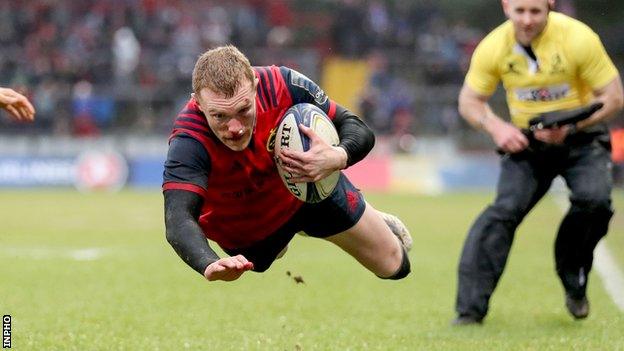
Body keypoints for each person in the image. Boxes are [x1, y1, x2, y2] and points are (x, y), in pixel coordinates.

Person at [162, 45, 412, 282]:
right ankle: (298, 232)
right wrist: (208, 262)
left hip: (310, 188)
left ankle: (346, 215)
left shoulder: (282, 84)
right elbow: (178, 219)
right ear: (198, 102)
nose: (235, 128)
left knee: (395, 265)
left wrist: (338, 156)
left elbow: (357, 128)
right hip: (250, 228)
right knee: (268, 256)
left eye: (243, 110)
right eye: (220, 116)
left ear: (255, 87)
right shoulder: (189, 139)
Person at [453, 0, 624, 325]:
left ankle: (572, 275)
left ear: (550, 6)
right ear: (506, 8)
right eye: (520, 11)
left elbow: (613, 96)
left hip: (582, 138)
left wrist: (571, 127)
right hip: (528, 143)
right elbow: (469, 101)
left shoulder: (578, 38)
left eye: (535, 11)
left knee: (596, 203)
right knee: (503, 213)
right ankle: (469, 313)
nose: (527, 20)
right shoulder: (493, 46)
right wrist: (498, 127)